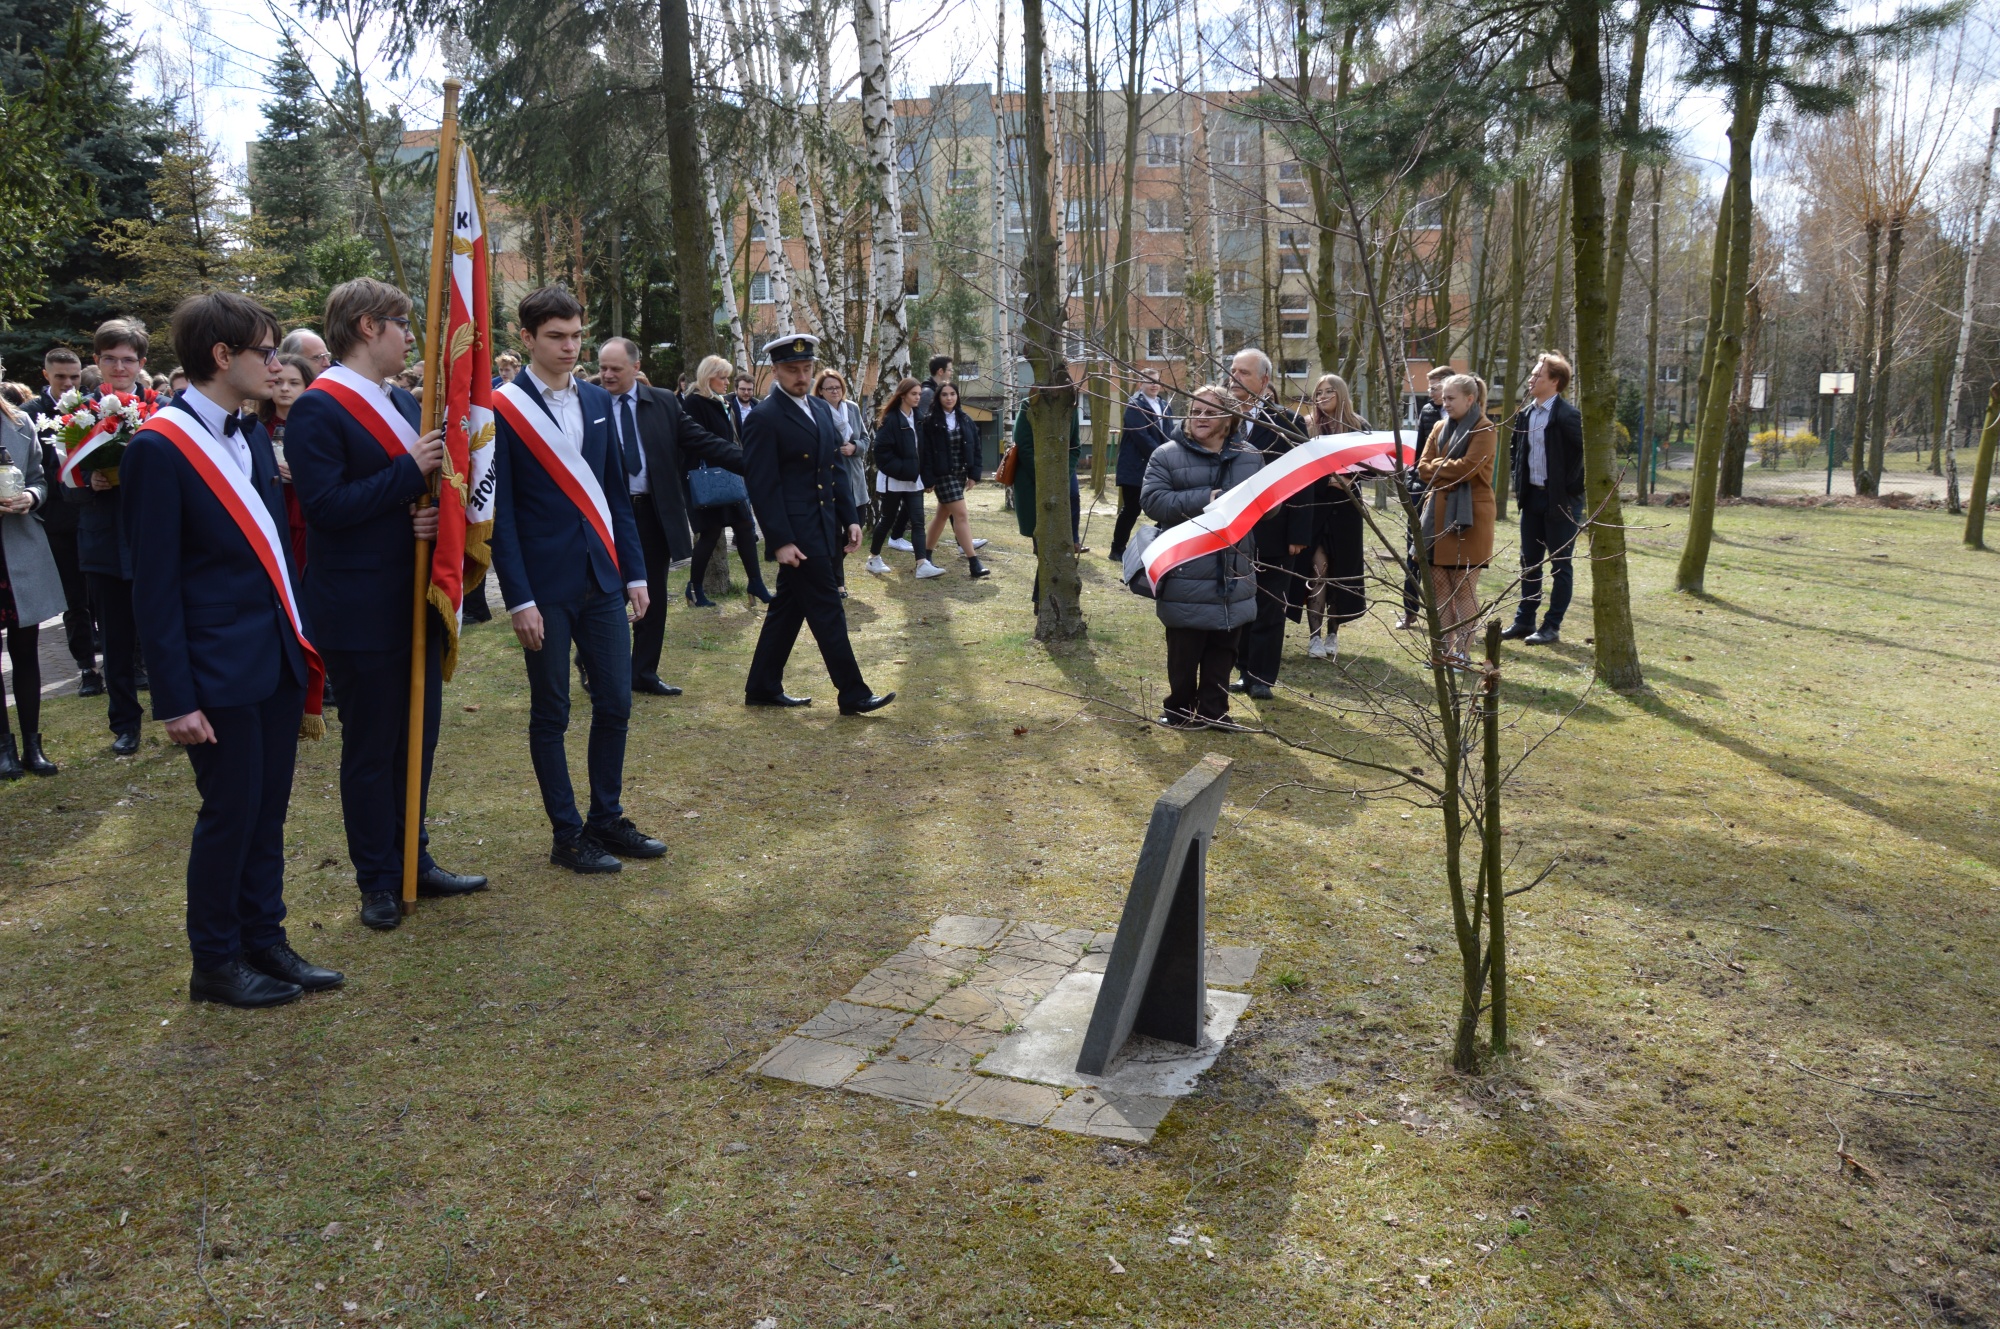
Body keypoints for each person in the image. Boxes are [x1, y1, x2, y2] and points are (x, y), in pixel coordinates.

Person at [123, 291, 343, 1008]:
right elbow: (153, 586)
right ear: (223, 356)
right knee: (230, 814)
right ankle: (215, 961)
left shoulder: (248, 434)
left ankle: (265, 939)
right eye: (266, 352)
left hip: (273, 657)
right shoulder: (159, 447)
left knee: (267, 811)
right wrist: (175, 698)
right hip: (215, 670)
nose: (277, 365)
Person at [287, 278, 488, 930]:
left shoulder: (404, 401)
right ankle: (376, 878)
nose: (410, 335)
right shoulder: (319, 408)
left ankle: (413, 859)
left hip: (415, 597)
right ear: (368, 326)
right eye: (402, 323)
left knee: (417, 742)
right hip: (360, 608)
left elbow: (413, 497)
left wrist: (428, 518)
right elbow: (325, 506)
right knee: (374, 748)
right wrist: (407, 474)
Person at [491, 285, 667, 874]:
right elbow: (501, 515)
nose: (570, 348)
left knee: (616, 701)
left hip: (603, 579)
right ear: (526, 338)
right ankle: (567, 835)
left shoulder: (597, 398)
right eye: (556, 337)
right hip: (544, 587)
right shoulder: (502, 409)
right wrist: (518, 598)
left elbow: (615, 495)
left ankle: (606, 818)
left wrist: (635, 572)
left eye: (575, 336)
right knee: (553, 711)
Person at [741, 333, 894, 715]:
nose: (801, 376)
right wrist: (779, 540)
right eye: (792, 369)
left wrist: (850, 517)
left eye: (807, 368)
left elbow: (833, 468)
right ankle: (853, 693)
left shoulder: (822, 408)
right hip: (797, 532)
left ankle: (762, 686)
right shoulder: (764, 417)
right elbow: (762, 485)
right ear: (776, 370)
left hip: (824, 524)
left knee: (788, 608)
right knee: (828, 607)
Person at [597, 336, 741, 696]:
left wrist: (753, 462)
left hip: (653, 513)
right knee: (607, 593)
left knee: (653, 594)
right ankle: (593, 663)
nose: (607, 375)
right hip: (605, 516)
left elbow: (701, 440)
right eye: (603, 368)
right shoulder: (588, 402)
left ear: (636, 367)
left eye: (615, 369)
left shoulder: (662, 402)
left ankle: (643, 672)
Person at [1141, 385, 1263, 729]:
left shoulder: (1251, 457)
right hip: (1186, 568)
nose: (1200, 418)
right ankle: (1178, 710)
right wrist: (1206, 498)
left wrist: (1268, 505)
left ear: (1229, 419)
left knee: (1225, 647)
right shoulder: (1166, 455)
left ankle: (1214, 711)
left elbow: (1263, 509)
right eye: (1195, 411)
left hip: (1234, 567)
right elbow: (1153, 502)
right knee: (1185, 649)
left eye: (1210, 412)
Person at [67, 320, 157, 756]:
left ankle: (178, 711)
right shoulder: (77, 414)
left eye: (128, 360)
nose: (119, 368)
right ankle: (125, 722)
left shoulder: (161, 409)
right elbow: (63, 481)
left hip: (153, 540)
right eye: (110, 359)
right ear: (97, 361)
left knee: (162, 634)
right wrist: (89, 480)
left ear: (142, 364)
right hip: (103, 541)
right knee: (117, 641)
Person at [1227, 348, 1310, 699]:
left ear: (1264, 381)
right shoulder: (1221, 415)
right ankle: (1243, 670)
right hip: (1232, 531)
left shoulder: (1287, 422)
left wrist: (1299, 532)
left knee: (1269, 605)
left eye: (1243, 372)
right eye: (1232, 370)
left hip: (1275, 531)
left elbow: (1304, 480)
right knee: (1238, 604)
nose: (1234, 377)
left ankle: (1261, 677)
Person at [0, 384, 64, 776]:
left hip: (19, 551)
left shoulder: (20, 422)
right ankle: (3, 748)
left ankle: (32, 745)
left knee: (26, 651)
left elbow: (40, 480)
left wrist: (30, 496)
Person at [28, 347, 99, 696]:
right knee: (74, 600)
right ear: (46, 376)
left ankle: (125, 661)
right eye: (61, 377)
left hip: (94, 515)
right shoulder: (30, 415)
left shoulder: (93, 408)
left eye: (74, 376)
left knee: (103, 595)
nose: (69, 383)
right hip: (58, 521)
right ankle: (86, 666)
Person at [1501, 351, 1584, 646]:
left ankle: (1551, 626)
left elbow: (1584, 457)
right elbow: (1516, 451)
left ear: (1555, 381)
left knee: (1560, 565)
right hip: (1531, 500)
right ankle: (1525, 621)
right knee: (1529, 562)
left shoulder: (1568, 416)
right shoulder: (1526, 414)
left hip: (1561, 503)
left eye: (1537, 375)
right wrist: (1519, 482)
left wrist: (1569, 489)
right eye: (1532, 374)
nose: (1531, 379)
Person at [1416, 373, 1497, 666]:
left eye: (1451, 398)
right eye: (1444, 398)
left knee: (1463, 589)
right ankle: (1442, 653)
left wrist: (1439, 468)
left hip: (1470, 520)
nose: (1445, 403)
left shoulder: (1485, 430)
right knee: (1439, 588)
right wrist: (1445, 469)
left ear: (1469, 399)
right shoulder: (1439, 427)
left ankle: (1462, 653)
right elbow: (1421, 467)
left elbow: (1467, 469)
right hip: (1436, 517)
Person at [680, 356, 771, 607]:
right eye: (722, 377)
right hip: (707, 479)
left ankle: (756, 583)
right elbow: (698, 441)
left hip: (728, 475)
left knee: (745, 527)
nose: (727, 382)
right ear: (708, 377)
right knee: (710, 535)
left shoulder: (721, 401)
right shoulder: (694, 402)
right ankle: (694, 588)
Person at [1301, 373, 1369, 663]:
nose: (1323, 396)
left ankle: (1332, 634)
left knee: (1340, 573)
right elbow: (1299, 468)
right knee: (1318, 571)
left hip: (1346, 510)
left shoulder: (1359, 426)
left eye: (1329, 391)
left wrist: (1352, 478)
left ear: (1341, 393)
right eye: (1318, 392)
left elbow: (1374, 466)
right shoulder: (1307, 425)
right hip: (1317, 508)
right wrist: (1324, 482)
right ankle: (1314, 636)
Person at [866, 377, 942, 578]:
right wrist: (904, 470)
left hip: (914, 481)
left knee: (918, 521)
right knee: (887, 520)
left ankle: (922, 564)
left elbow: (924, 451)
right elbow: (881, 452)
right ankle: (873, 558)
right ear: (902, 395)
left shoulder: (919, 418)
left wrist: (927, 478)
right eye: (913, 394)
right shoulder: (890, 419)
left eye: (919, 394)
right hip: (894, 480)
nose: (918, 397)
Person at [1398, 367, 1452, 630]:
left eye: (1436, 387)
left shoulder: (1467, 417)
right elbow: (1419, 453)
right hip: (1422, 489)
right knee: (1414, 551)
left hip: (1450, 492)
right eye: (1430, 387)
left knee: (1444, 556)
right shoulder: (1428, 411)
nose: (1431, 392)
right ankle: (1409, 611)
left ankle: (1446, 615)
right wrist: (1413, 482)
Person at [919, 381, 990, 578]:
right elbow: (925, 453)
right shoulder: (930, 421)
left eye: (952, 394)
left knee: (942, 515)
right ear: (938, 397)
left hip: (960, 473)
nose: (949, 398)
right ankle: (974, 562)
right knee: (961, 515)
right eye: (944, 395)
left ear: (957, 396)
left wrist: (974, 475)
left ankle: (925, 556)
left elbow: (976, 448)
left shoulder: (965, 419)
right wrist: (928, 479)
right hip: (942, 475)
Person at [815, 368, 871, 597]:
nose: (834, 391)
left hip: (855, 478)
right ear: (820, 391)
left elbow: (866, 439)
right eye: (829, 388)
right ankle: (838, 582)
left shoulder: (853, 408)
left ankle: (828, 569)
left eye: (837, 387)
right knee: (836, 532)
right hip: (832, 480)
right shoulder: (817, 411)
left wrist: (855, 447)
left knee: (858, 523)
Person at [260, 352, 316, 566]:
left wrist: (304, 475)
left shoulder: (318, 429)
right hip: (268, 515)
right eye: (279, 382)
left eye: (294, 383)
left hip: (305, 517)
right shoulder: (255, 429)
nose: (284, 389)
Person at [1112, 370, 1172, 559]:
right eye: (1149, 381)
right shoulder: (1134, 406)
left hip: (1160, 465)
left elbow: (1169, 433)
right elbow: (1141, 437)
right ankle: (1117, 549)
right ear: (1140, 384)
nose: (1154, 385)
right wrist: (1163, 455)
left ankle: (1156, 544)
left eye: (1156, 381)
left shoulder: (1164, 405)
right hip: (1135, 467)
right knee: (1132, 508)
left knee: (1164, 506)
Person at [916, 354, 952, 419]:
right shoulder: (928, 393)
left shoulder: (937, 390)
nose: (951, 373)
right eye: (949, 370)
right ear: (940, 371)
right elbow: (922, 420)